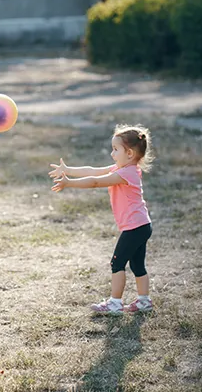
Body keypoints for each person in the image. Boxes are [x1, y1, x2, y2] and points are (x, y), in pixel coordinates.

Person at [49, 125, 154, 315]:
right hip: (141, 225)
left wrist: (69, 183)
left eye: (115, 149)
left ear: (129, 153)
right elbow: (94, 171)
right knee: (137, 264)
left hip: (135, 227)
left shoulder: (126, 173)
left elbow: (96, 182)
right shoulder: (124, 167)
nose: (112, 154)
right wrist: (68, 170)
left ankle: (115, 304)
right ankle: (144, 301)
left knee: (117, 263)